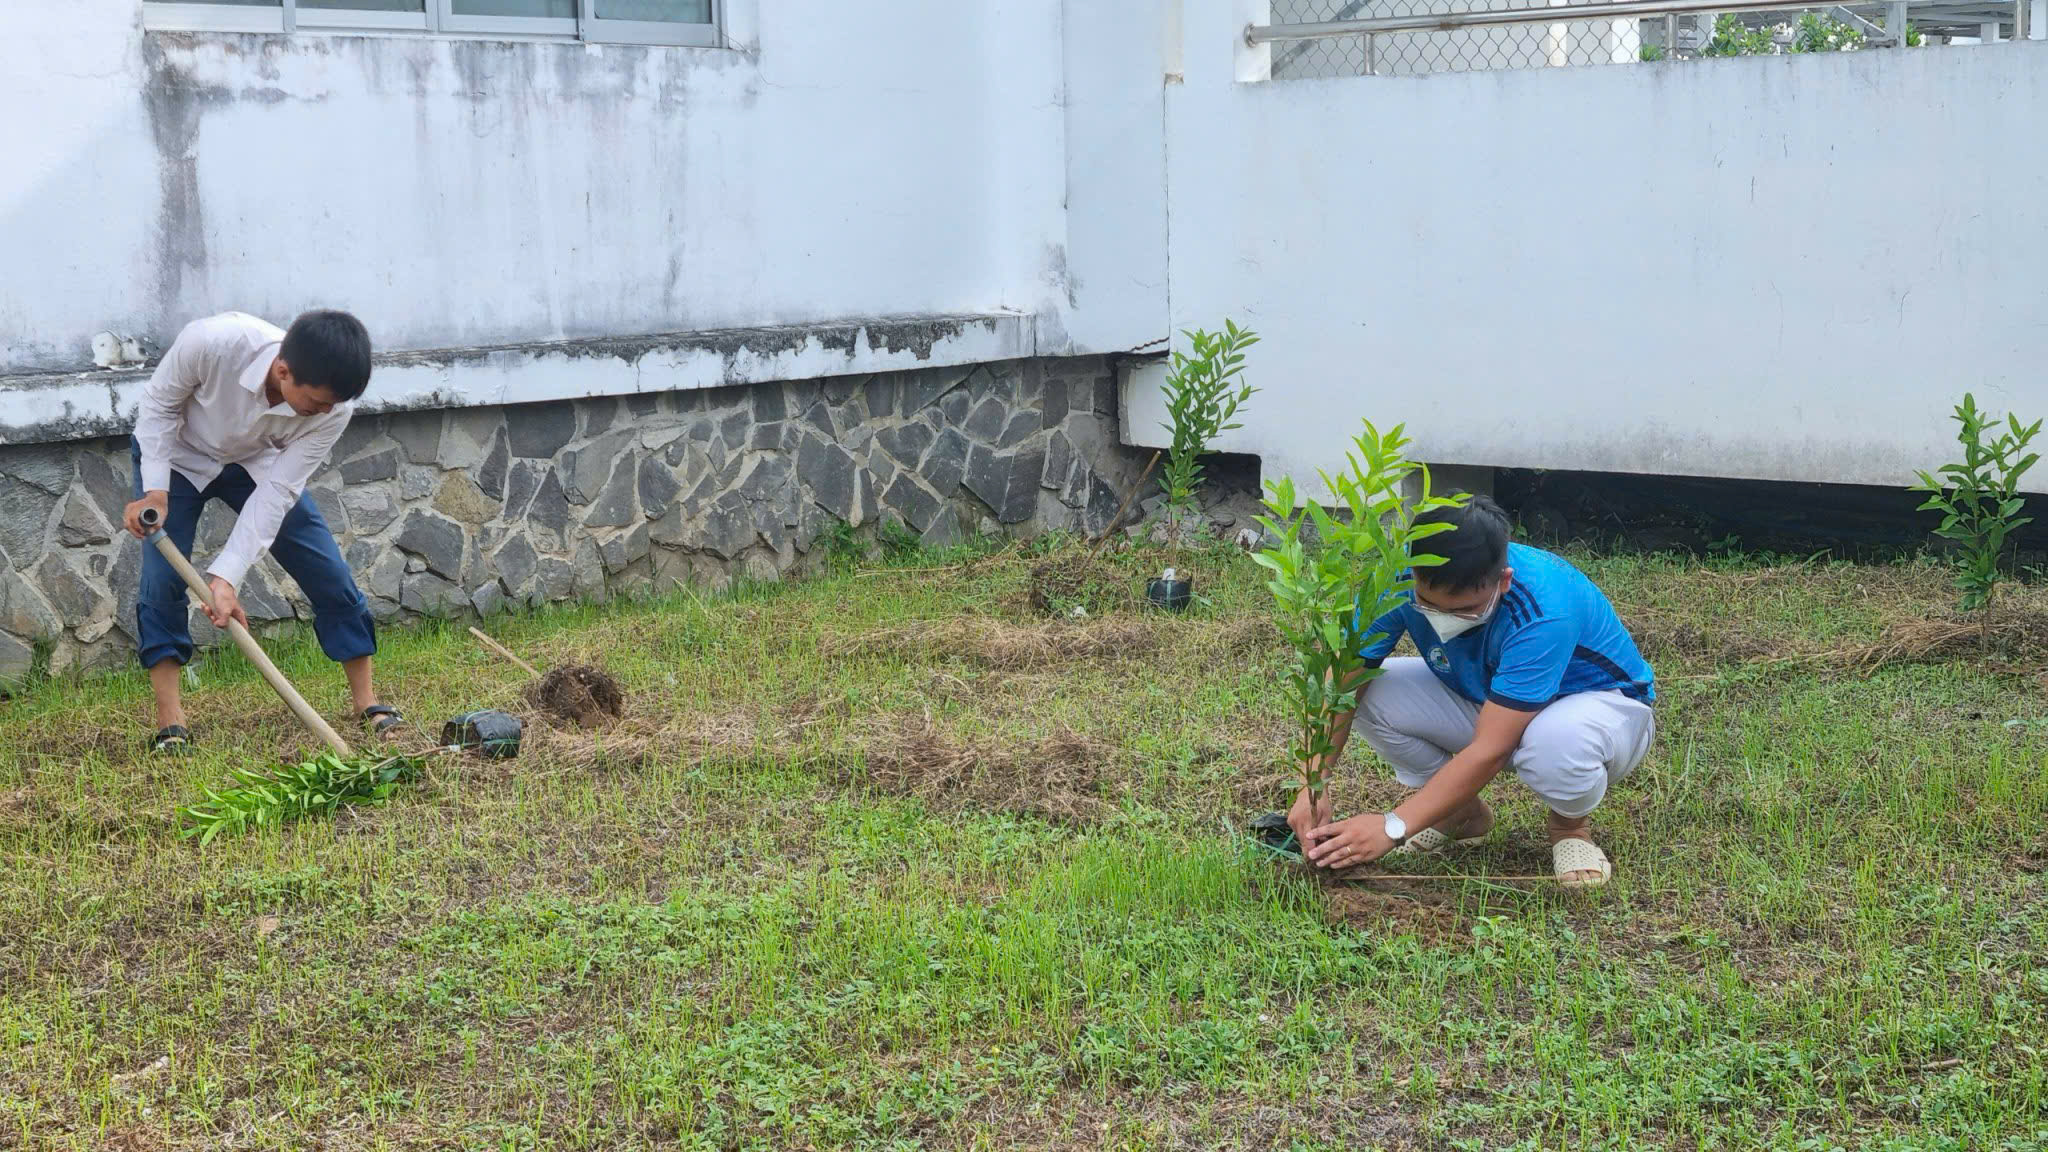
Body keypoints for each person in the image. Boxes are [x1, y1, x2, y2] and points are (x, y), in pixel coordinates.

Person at [1286, 493, 1654, 889]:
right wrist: (1313, 780)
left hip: (1595, 708)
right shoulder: (1396, 579)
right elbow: (1343, 681)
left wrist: (1394, 826)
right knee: (1370, 692)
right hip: (1491, 698)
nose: (1443, 619)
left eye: (1464, 611)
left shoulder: (1545, 609)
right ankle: (1460, 813)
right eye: (1427, 603)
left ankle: (1570, 828)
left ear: (1504, 581)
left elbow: (1491, 748)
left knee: (1556, 743)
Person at [121, 310, 404, 752]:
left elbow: (279, 491)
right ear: (283, 370)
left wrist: (227, 576)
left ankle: (367, 703)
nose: (324, 413)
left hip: (257, 464)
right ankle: (170, 724)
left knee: (326, 567)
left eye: (332, 405)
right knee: (162, 580)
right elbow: (157, 409)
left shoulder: (334, 409)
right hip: (175, 458)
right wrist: (155, 493)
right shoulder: (212, 343)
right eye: (314, 403)